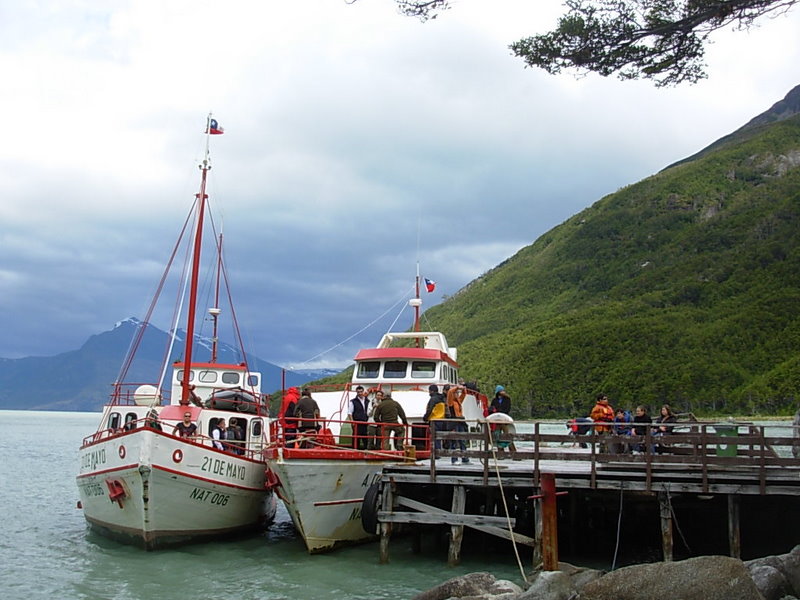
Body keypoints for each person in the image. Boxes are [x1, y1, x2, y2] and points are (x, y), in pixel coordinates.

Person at [447, 383, 470, 463]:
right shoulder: (450, 402)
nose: (457, 394)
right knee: (454, 441)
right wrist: (456, 387)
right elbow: (450, 392)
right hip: (454, 422)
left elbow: (464, 394)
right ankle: (454, 459)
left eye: (457, 393)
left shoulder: (458, 401)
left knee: (462, 440)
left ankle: (465, 458)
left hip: (460, 421)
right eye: (456, 393)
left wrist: (463, 388)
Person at [422, 384, 448, 451]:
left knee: (434, 436)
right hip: (441, 419)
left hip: (434, 420)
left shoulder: (433, 399)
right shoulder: (441, 398)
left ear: (432, 391)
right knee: (439, 436)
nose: (429, 393)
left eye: (429, 391)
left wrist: (425, 417)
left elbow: (430, 410)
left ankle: (436, 452)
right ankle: (440, 450)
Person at [348, 385, 371, 450]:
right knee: (356, 437)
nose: (360, 393)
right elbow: (350, 413)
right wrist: (352, 422)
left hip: (365, 422)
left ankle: (366, 450)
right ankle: (355, 449)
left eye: (361, 392)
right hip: (357, 422)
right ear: (356, 392)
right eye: (358, 392)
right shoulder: (353, 401)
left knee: (365, 437)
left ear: (363, 391)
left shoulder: (367, 401)